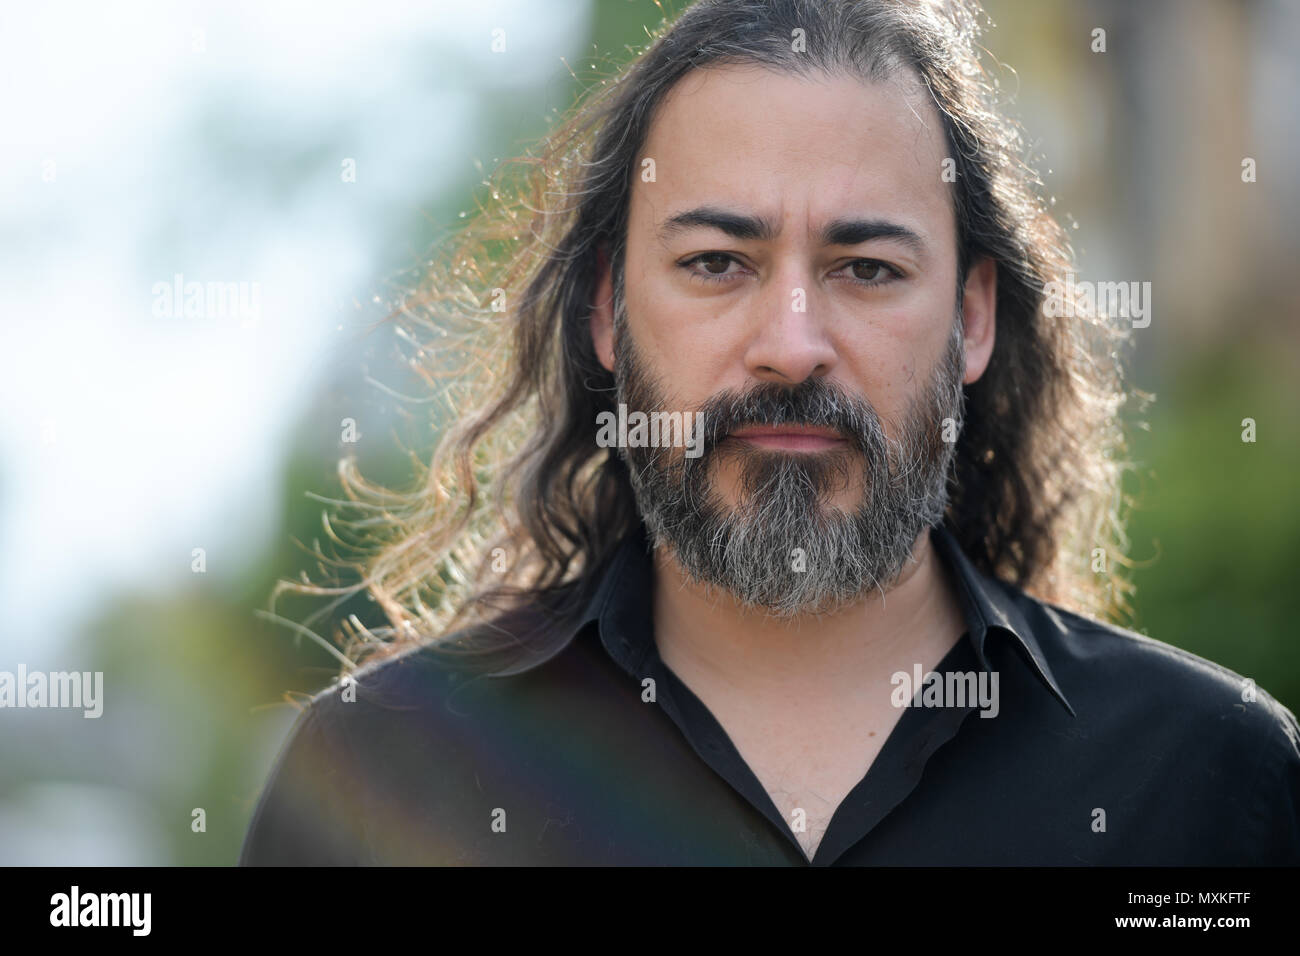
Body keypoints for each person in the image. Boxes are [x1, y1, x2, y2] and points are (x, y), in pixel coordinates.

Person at [240, 0, 1300, 865]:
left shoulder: (1208, 780)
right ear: (607, 311)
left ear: (972, 318)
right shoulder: (383, 771)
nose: (792, 345)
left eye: (867, 269)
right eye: (715, 263)